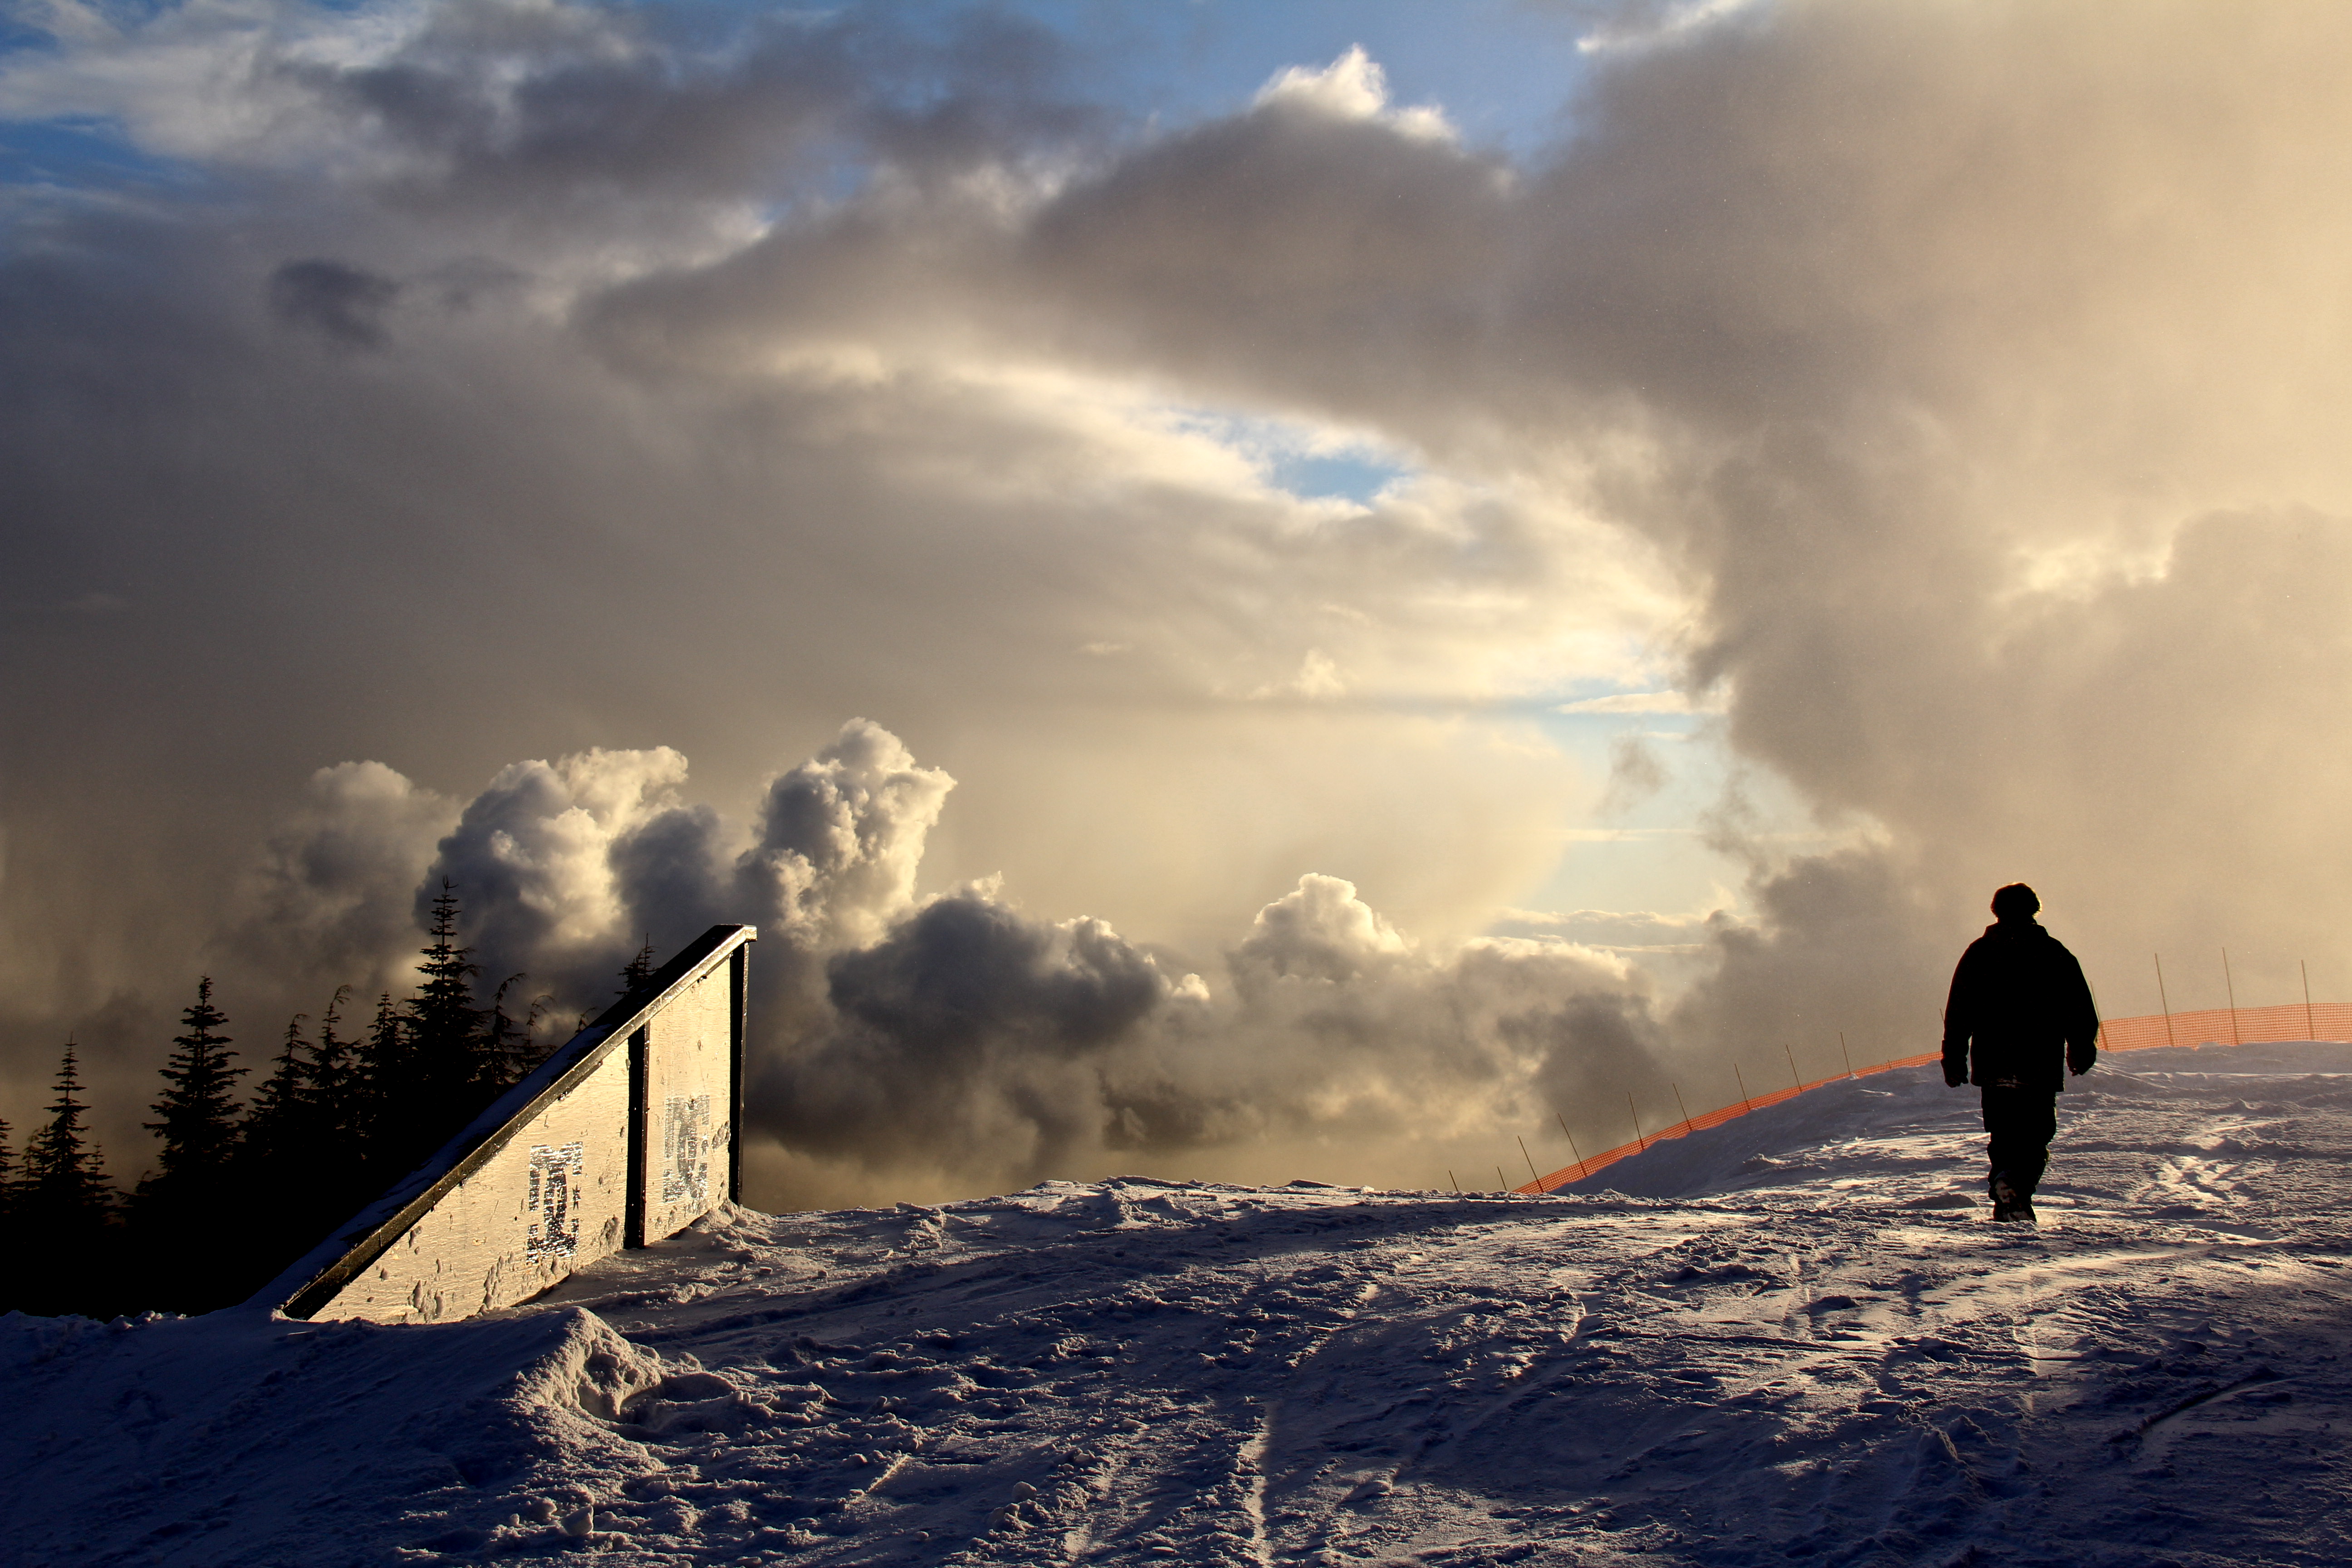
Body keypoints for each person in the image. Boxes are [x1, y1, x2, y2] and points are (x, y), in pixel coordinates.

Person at [1941, 883, 2099, 1222]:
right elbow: (2078, 1006)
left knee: (2004, 1134)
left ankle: (2007, 1198)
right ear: (2034, 911)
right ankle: (2014, 1186)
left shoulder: (1979, 953)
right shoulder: (2053, 953)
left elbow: (1959, 1011)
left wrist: (1953, 1058)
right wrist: (2082, 1047)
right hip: (2037, 1061)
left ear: (1995, 911)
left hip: (1994, 1063)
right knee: (2036, 1134)